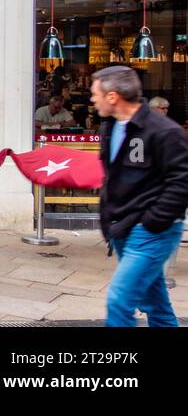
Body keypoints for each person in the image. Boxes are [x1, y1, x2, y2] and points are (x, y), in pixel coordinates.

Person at [91, 65, 188, 327]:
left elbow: (182, 181)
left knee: (119, 301)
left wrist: (153, 220)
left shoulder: (164, 131)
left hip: (150, 233)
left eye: (95, 93)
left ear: (113, 96)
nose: (92, 99)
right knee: (156, 304)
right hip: (122, 228)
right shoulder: (110, 127)